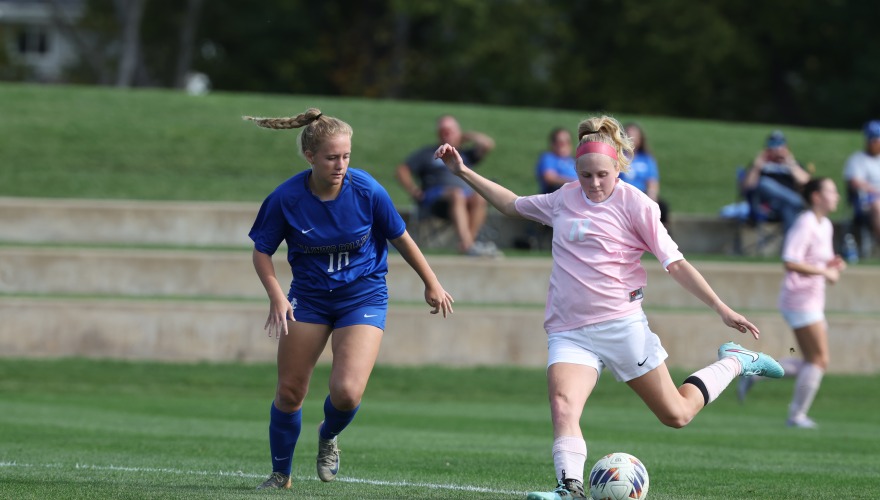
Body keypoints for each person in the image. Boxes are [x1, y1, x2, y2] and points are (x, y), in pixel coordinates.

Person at [436, 114, 784, 500]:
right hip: (569, 330)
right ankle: (570, 488)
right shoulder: (563, 197)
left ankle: (735, 360)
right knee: (562, 402)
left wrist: (721, 307)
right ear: (576, 171)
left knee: (676, 415)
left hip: (622, 326)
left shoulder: (638, 205)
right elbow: (512, 205)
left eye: (602, 174)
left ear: (618, 166)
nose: (594, 183)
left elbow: (677, 264)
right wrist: (463, 171)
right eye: (586, 175)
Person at [244, 108, 454, 490]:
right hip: (309, 297)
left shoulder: (367, 190)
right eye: (331, 157)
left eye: (346, 156)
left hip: (363, 294)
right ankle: (280, 474)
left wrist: (431, 282)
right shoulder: (286, 197)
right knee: (290, 392)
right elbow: (262, 251)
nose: (340, 165)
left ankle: (328, 435)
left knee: (346, 392)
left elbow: (401, 238)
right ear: (310, 157)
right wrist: (277, 297)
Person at [738, 177, 846, 429]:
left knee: (812, 361)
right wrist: (824, 272)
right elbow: (790, 260)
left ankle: (756, 372)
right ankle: (796, 416)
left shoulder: (825, 225)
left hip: (813, 300)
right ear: (817, 196)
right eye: (832, 190)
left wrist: (832, 267)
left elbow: (821, 263)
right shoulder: (805, 223)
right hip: (799, 301)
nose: (837, 195)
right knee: (819, 361)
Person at [396, 115, 500, 256]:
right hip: (436, 200)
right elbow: (402, 170)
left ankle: (468, 244)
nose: (447, 134)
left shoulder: (464, 154)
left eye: (450, 130)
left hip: (466, 199)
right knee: (456, 194)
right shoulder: (428, 153)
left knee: (480, 197)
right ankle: (469, 246)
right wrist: (413, 190)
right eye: (443, 130)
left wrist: (466, 136)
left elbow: (487, 144)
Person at [741, 130, 811, 233]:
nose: (777, 149)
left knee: (787, 208)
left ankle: (788, 247)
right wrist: (757, 166)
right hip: (767, 206)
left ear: (786, 147)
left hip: (785, 206)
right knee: (764, 183)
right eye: (773, 144)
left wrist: (790, 164)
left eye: (780, 144)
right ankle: (798, 202)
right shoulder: (760, 165)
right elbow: (746, 187)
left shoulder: (793, 164)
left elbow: (808, 184)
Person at [620, 122, 670, 227]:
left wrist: (652, 198)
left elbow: (652, 181)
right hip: (622, 195)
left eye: (634, 136)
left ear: (640, 139)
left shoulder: (646, 158)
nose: (631, 139)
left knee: (663, 207)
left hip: (642, 194)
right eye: (628, 135)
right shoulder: (617, 157)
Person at [842, 119, 880, 242]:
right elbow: (854, 182)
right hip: (865, 203)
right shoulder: (857, 159)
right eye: (872, 139)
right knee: (877, 205)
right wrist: (874, 191)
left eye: (877, 139)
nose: (875, 142)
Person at [536, 127, 578, 194]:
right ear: (553, 144)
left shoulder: (574, 161)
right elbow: (549, 178)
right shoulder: (549, 158)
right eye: (561, 143)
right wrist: (575, 182)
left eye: (567, 142)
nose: (565, 145)